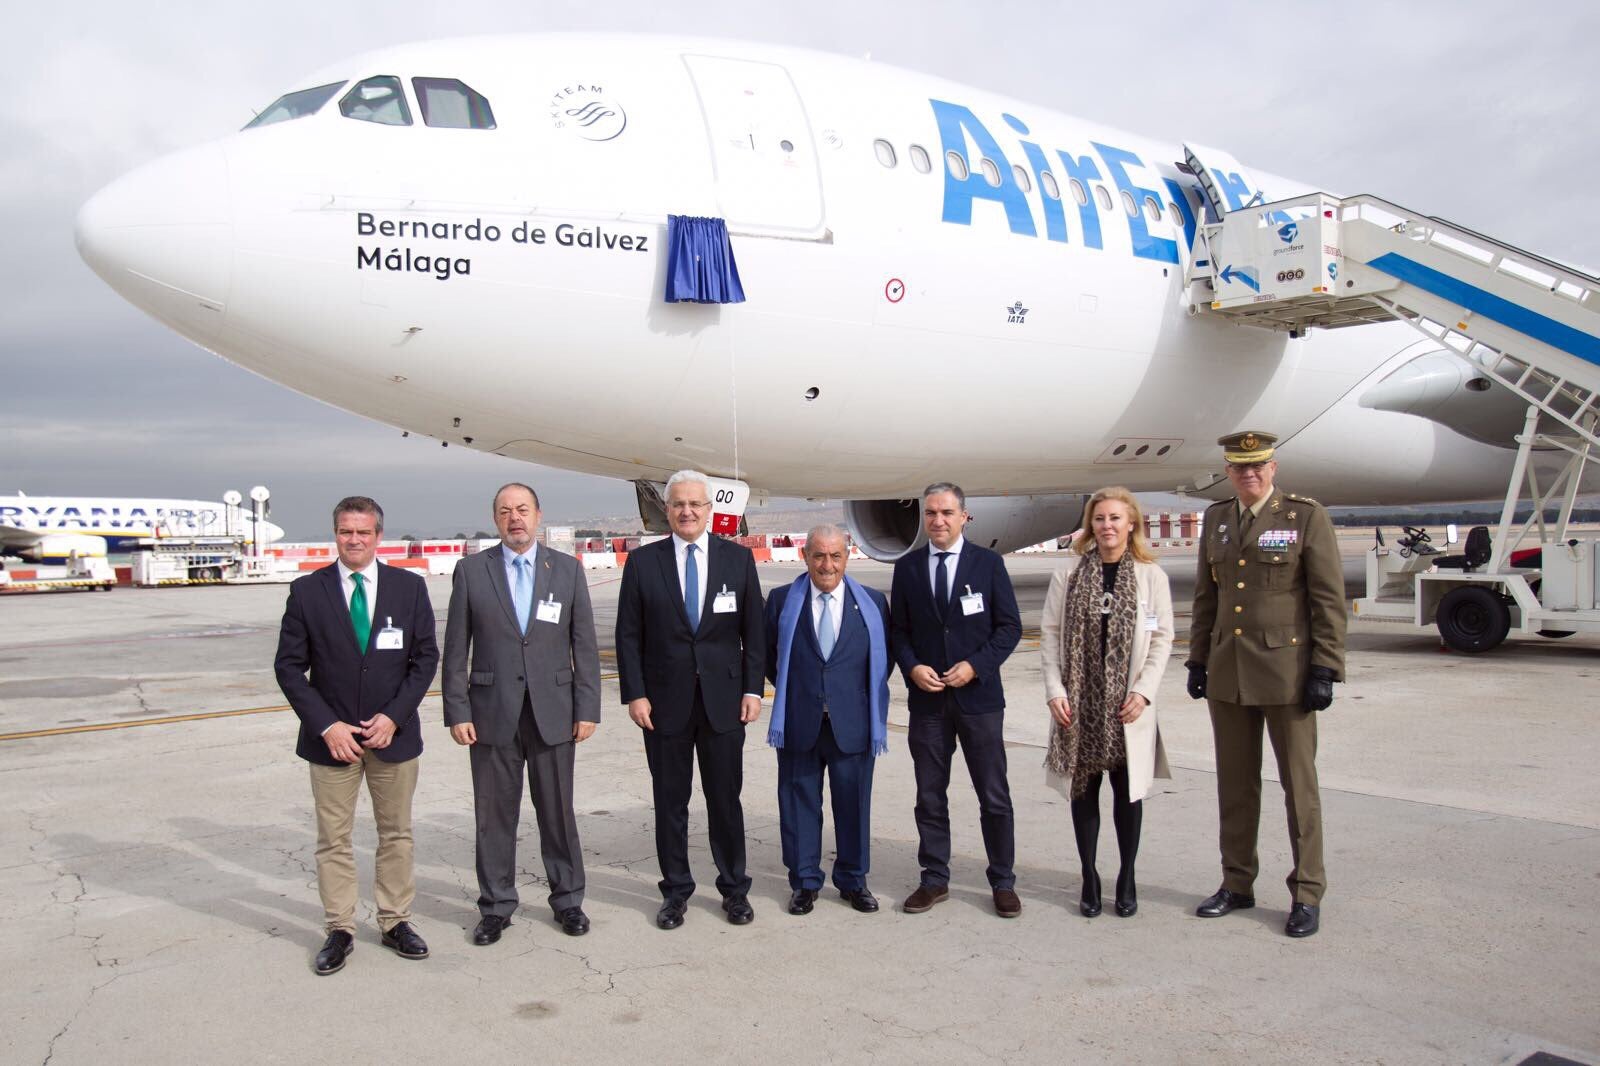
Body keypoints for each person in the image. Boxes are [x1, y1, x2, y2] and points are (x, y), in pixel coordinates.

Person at [1186, 431, 1347, 939]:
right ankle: (1237, 883)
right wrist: (1197, 660)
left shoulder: (1304, 516)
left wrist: (1325, 667)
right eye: (1238, 467)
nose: (1248, 475)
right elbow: (1206, 598)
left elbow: (1327, 600)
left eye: (1256, 466)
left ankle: (1307, 892)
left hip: (1288, 674)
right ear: (1228, 471)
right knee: (1235, 785)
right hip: (1228, 672)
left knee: (1299, 789)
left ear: (1272, 468)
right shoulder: (1216, 519)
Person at [274, 496, 439, 975]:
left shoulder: (408, 589)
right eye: (346, 531)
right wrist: (326, 725)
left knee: (396, 835)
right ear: (336, 534)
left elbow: (425, 658)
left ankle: (394, 921)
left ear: (378, 536)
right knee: (334, 840)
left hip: (394, 737)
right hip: (333, 742)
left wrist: (393, 716)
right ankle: (339, 928)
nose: (355, 540)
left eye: (363, 532)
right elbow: (288, 667)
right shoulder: (308, 591)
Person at [442, 483, 601, 945]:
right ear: (496, 519)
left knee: (558, 813)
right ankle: (495, 906)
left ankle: (568, 900)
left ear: (538, 516)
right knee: (494, 817)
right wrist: (457, 709)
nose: (516, 518)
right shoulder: (472, 572)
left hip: (554, 711)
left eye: (523, 510)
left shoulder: (567, 571)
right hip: (491, 713)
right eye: (506, 511)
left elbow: (584, 646)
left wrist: (587, 706)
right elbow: (456, 649)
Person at [615, 470, 765, 930]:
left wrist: (753, 688)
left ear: (710, 510)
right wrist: (635, 694)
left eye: (695, 505)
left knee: (726, 800)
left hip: (724, 703)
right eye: (678, 504)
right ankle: (676, 891)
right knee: (670, 802)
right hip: (663, 706)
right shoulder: (644, 563)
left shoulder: (735, 562)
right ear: (668, 510)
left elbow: (754, 632)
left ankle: (734, 889)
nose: (686, 512)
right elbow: (628, 635)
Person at [889, 482, 1023, 918]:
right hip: (928, 704)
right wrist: (911, 667)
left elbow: (1008, 627)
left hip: (979, 700)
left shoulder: (988, 564)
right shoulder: (908, 568)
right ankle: (934, 878)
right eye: (930, 513)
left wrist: (976, 666)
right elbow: (899, 631)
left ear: (964, 516)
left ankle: (1002, 881)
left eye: (946, 513)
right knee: (930, 795)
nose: (938, 521)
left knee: (994, 795)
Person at [1040, 487, 1173, 918]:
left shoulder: (1151, 576)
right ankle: (1089, 875)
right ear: (1090, 525)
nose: (1108, 526)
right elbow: (1051, 636)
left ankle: (1127, 875)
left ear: (1130, 523)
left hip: (1126, 707)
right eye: (1099, 519)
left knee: (1126, 794)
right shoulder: (1070, 574)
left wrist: (1143, 691)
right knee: (1084, 792)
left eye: (1116, 518)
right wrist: (1056, 691)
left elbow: (1161, 639)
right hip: (1079, 703)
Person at [764, 524, 891, 916]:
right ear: (804, 556)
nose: (827, 564)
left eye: (835, 556)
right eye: (819, 555)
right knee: (799, 804)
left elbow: (881, 663)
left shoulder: (872, 602)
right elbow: (771, 658)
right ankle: (804, 882)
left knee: (853, 804)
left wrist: (847, 698)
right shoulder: (782, 601)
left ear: (847, 558)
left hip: (852, 723)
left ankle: (853, 880)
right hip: (799, 720)